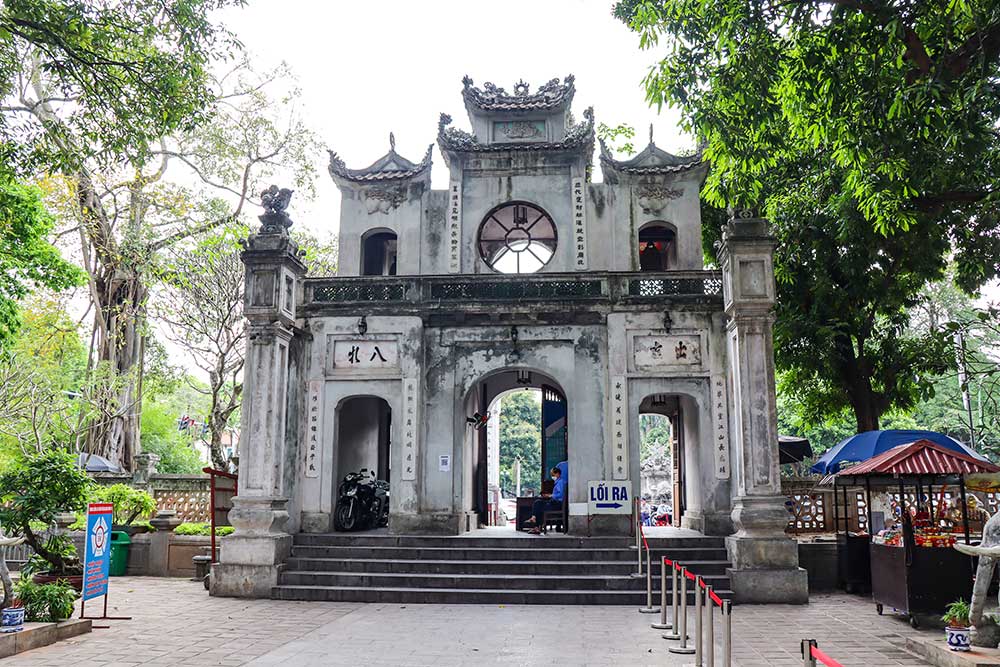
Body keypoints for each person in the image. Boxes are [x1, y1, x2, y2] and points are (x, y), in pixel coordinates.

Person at [523, 466, 565, 535]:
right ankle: (535, 523)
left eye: (553, 475)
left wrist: (550, 496)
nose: (552, 476)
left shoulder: (560, 482)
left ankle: (535, 522)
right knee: (539, 504)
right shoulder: (558, 482)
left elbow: (560, 495)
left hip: (557, 504)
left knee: (538, 504)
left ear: (557, 474)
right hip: (555, 502)